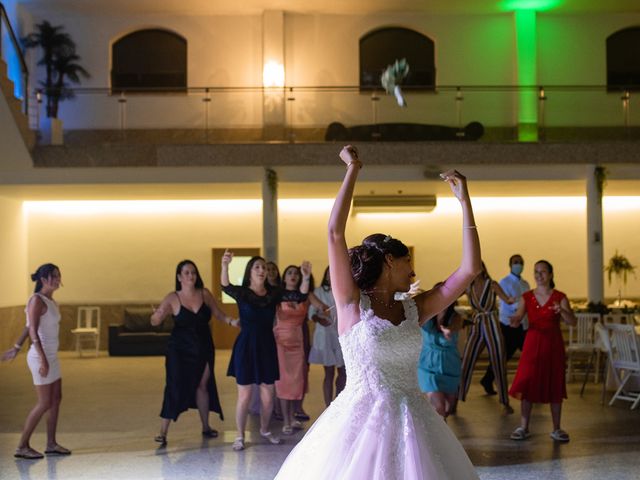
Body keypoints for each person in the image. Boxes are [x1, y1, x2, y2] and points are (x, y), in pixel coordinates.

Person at [275, 145, 482, 479]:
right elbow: (334, 232)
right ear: (389, 260)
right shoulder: (351, 304)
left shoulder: (415, 309)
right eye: (407, 263)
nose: (413, 273)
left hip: (415, 423)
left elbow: (470, 269)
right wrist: (353, 168)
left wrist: (465, 204)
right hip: (357, 429)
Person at [222, 252, 311, 451]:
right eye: (257, 267)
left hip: (267, 345)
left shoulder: (273, 293)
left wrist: (305, 276)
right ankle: (239, 435)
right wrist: (225, 266)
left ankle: (264, 429)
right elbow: (225, 286)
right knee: (244, 395)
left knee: (268, 395)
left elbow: (300, 295)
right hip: (246, 345)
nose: (262, 270)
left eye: (263, 267)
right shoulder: (243, 293)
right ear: (250, 272)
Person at [150, 259, 235, 446]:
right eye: (187, 273)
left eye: (193, 272)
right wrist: (155, 316)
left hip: (203, 346)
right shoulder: (173, 297)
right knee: (174, 385)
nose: (191, 276)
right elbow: (156, 319)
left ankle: (205, 426)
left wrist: (231, 321)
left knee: (203, 385)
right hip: (179, 349)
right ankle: (163, 432)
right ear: (179, 277)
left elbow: (218, 314)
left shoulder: (204, 294)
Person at [1, 264, 71, 459]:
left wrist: (15, 347)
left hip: (52, 356)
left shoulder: (50, 301)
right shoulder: (36, 300)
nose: (58, 280)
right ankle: (22, 446)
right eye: (54, 276)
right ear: (43, 279)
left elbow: (27, 326)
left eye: (59, 276)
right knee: (44, 402)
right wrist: (42, 359)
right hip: (40, 356)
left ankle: (51, 444)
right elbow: (32, 331)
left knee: (56, 399)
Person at [508, 259, 577, 443]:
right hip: (532, 344)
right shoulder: (527, 296)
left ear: (551, 274)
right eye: (536, 272)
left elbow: (573, 322)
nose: (539, 275)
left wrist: (561, 311)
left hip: (553, 345)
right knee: (527, 382)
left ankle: (556, 428)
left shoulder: (560, 297)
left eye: (543, 271)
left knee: (555, 382)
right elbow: (518, 317)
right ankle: (524, 427)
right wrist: (514, 320)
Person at [274, 263, 325, 434]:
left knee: (297, 380)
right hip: (281, 340)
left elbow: (322, 307)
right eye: (289, 273)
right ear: (284, 277)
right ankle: (286, 420)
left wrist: (323, 313)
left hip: (298, 340)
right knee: (283, 380)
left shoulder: (305, 295)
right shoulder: (278, 295)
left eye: (296, 273)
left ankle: (293, 415)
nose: (293, 275)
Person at [458, 263, 515, 414]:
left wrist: (515, 300)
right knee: (466, 361)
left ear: (483, 268)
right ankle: (456, 399)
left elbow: (507, 300)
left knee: (498, 362)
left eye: (478, 267)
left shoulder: (492, 284)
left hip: (492, 324)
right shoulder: (467, 287)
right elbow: (450, 295)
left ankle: (505, 402)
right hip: (477, 325)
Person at [480, 254, 530, 395]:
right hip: (508, 325)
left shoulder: (525, 284)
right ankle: (488, 379)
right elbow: (507, 303)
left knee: (529, 354)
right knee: (503, 356)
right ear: (510, 265)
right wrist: (520, 308)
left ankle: (529, 382)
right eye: (515, 262)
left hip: (523, 325)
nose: (518, 265)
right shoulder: (504, 282)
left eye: (520, 262)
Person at [417, 283, 463, 418]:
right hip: (428, 368)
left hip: (450, 367)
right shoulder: (424, 315)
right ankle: (437, 437)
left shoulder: (456, 317)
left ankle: (442, 436)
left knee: (447, 408)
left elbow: (454, 327)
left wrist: (448, 331)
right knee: (439, 407)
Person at [308, 266, 346, 407]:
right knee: (329, 372)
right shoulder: (318, 292)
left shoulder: (344, 290)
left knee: (343, 371)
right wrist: (319, 319)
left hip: (341, 333)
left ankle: (338, 402)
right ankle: (328, 406)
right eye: (329, 274)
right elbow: (311, 313)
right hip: (325, 334)